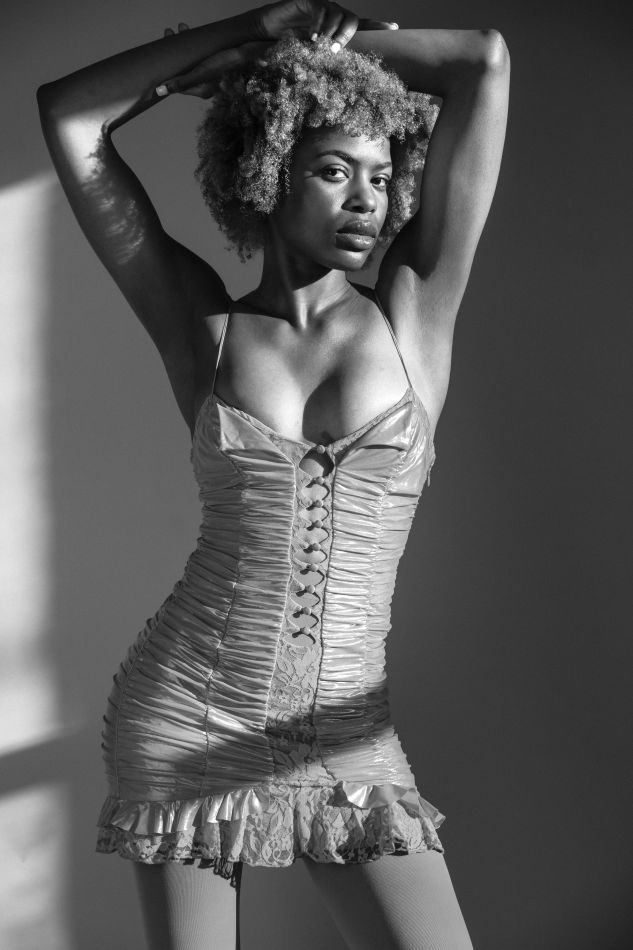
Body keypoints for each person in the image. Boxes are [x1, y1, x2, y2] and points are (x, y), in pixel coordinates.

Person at [37, 2, 509, 947]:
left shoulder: (414, 313)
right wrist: (251, 37)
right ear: (266, 168)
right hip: (186, 709)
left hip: (349, 736)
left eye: (382, 176)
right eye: (334, 170)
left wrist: (300, 52)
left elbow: (482, 64)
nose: (367, 201)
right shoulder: (204, 330)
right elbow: (70, 116)